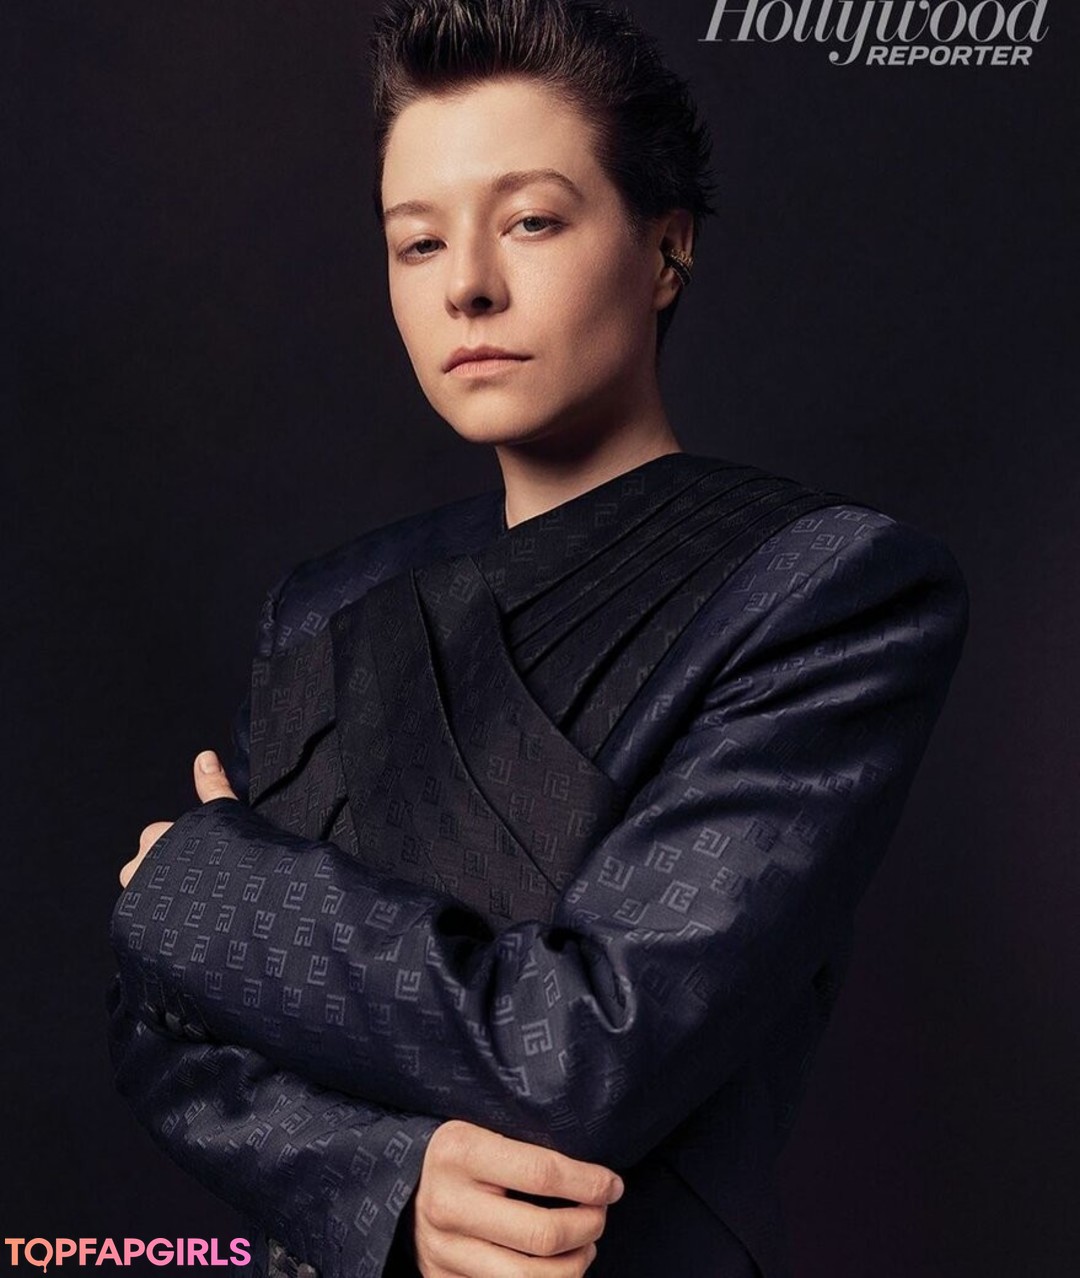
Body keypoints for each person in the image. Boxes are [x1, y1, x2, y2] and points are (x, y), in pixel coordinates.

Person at [105, 2, 970, 1277]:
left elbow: (575, 1053)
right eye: (417, 242)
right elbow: (162, 1031)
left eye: (531, 222)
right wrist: (393, 1188)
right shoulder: (326, 606)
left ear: (666, 249)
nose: (465, 284)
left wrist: (214, 887)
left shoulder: (825, 587)